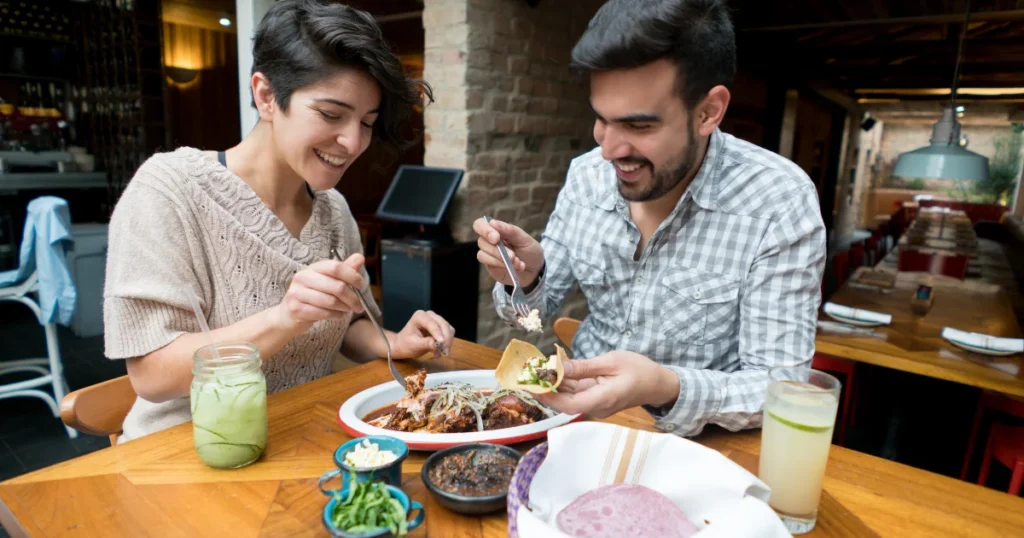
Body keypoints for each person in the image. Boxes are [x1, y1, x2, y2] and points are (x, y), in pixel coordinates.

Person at [103, 0, 454, 442]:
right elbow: (151, 375)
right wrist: (285, 317)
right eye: (331, 114)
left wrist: (394, 343)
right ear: (266, 95)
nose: (352, 141)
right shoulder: (169, 191)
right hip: (185, 453)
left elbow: (348, 323)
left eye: (367, 122)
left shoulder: (333, 210)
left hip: (302, 437)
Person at [474, 0, 825, 436]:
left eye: (638, 127)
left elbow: (782, 388)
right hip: (578, 424)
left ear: (708, 111)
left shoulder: (778, 202)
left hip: (704, 445)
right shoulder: (586, 176)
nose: (608, 151)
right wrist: (523, 280)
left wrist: (664, 387)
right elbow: (531, 318)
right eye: (601, 120)